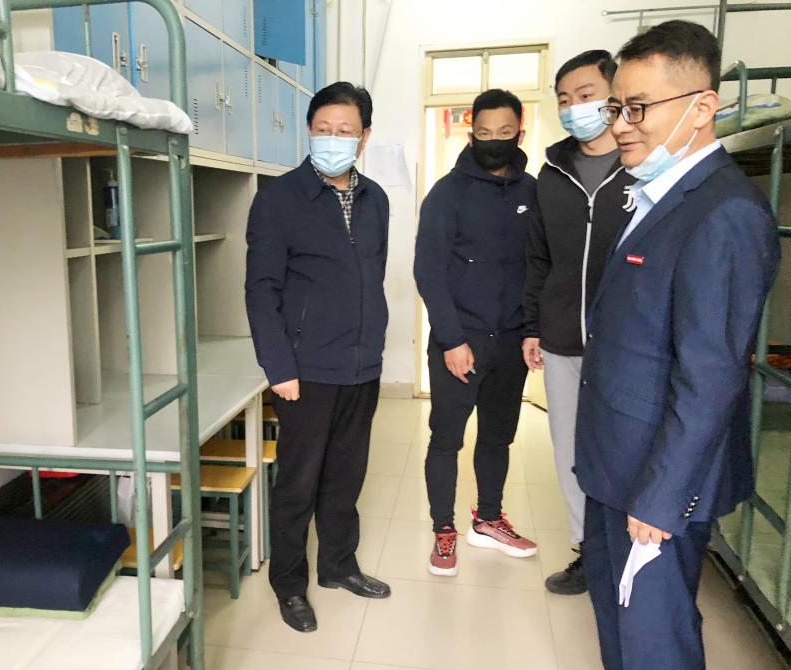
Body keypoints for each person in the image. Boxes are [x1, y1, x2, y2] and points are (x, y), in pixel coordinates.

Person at [570, 21, 781, 670]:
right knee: (615, 604)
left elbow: (711, 375)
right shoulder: (656, 193)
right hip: (616, 456)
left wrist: (662, 500)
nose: (621, 125)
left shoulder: (725, 212)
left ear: (702, 106)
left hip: (659, 477)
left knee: (655, 624)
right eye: (616, 108)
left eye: (638, 108)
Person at [245, 82, 391, 634]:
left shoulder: (376, 199)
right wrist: (279, 367)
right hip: (304, 372)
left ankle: (338, 565)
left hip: (362, 364)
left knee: (347, 476)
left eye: (345, 131)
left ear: (364, 136)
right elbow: (261, 290)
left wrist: (373, 343)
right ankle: (289, 584)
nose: (334, 139)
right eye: (324, 129)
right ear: (309, 131)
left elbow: (370, 278)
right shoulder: (279, 199)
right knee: (298, 483)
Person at [523, 50, 635, 596]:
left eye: (586, 95)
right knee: (568, 450)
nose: (574, 108)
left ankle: (629, 554)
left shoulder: (642, 165)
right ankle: (588, 553)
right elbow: (538, 257)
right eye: (564, 99)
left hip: (627, 343)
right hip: (563, 336)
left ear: (615, 96)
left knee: (624, 448)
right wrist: (533, 325)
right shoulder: (552, 174)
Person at [414, 88, 538, 577]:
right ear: (472, 135)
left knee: (498, 437)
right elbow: (429, 270)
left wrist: (532, 330)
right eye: (484, 133)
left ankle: (487, 520)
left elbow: (539, 267)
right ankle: (443, 530)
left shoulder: (533, 193)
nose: (493, 141)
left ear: (519, 134)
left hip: (511, 342)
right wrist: (451, 339)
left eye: (504, 132)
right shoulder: (447, 194)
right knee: (446, 438)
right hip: (459, 341)